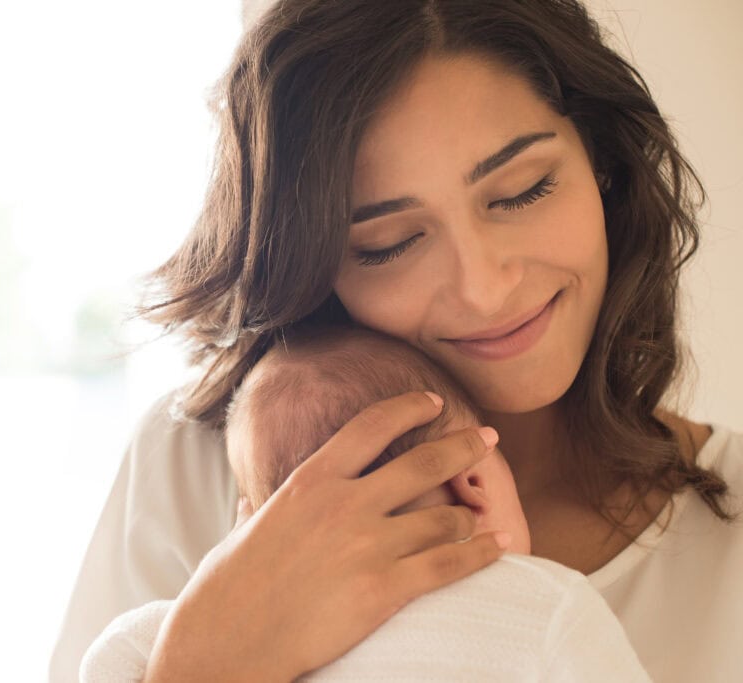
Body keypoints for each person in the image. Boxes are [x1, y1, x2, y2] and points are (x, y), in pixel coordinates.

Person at [51, 1, 743, 681]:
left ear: (604, 167)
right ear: (318, 268)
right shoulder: (189, 467)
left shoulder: (729, 527)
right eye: (390, 244)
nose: (483, 287)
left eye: (523, 192)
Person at [78, 325, 652, 681]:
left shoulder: (189, 624)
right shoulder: (545, 605)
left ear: (248, 526)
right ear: (473, 485)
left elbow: (103, 665)